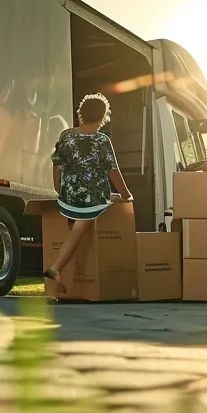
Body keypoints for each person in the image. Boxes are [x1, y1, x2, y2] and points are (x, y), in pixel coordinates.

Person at [44, 93, 133, 290]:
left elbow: (56, 164)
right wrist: (127, 195)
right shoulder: (101, 141)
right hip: (88, 197)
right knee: (83, 225)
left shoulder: (66, 136)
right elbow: (113, 172)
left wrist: (58, 187)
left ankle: (66, 271)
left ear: (81, 113)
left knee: (105, 200)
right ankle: (56, 268)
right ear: (103, 117)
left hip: (68, 194)